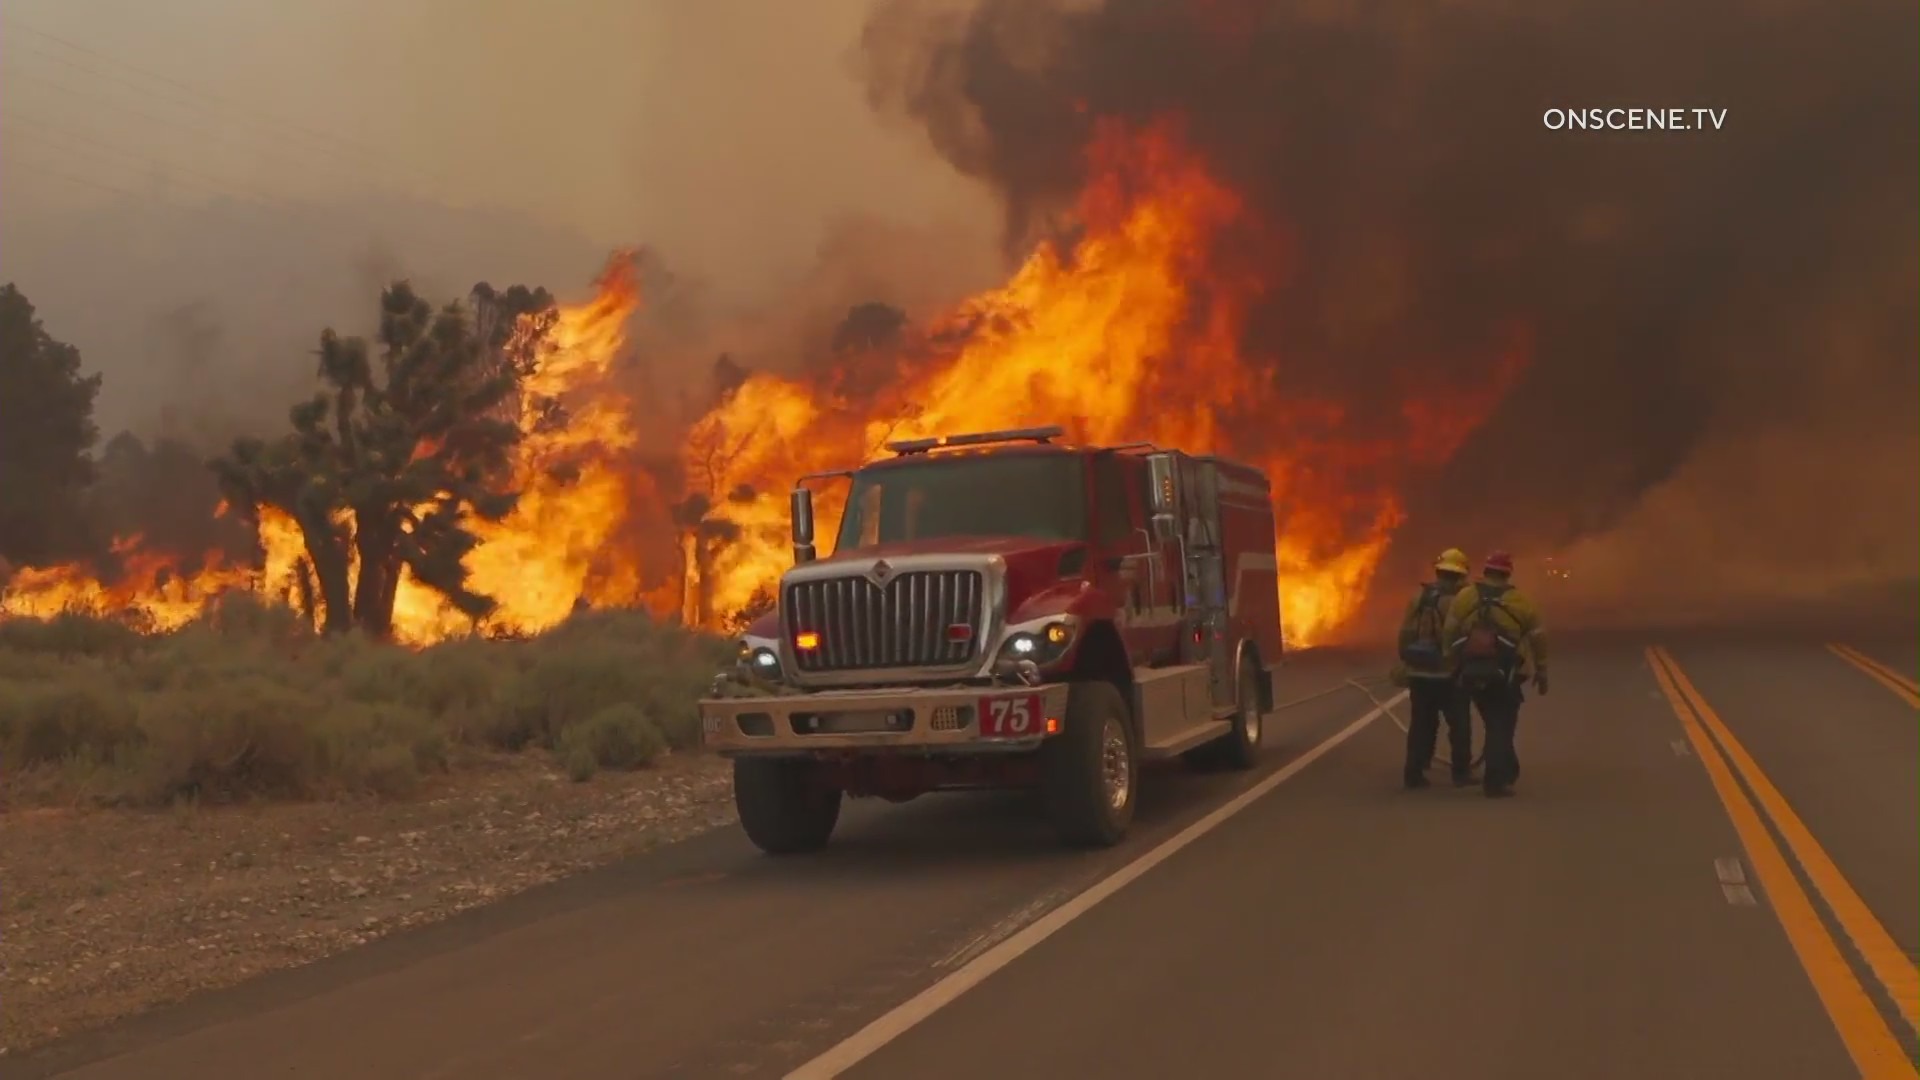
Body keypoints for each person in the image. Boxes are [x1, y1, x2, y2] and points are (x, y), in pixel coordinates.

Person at [1442, 550, 1549, 798]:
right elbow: (1538, 639)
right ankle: (1496, 780)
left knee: (1493, 722)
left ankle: (1505, 770)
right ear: (1508, 573)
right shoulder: (1522, 602)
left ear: (1486, 571)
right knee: (1501, 724)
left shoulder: (1466, 596)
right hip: (1508, 675)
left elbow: (1450, 632)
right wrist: (1541, 671)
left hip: (1471, 672)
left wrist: (1451, 661)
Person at [1393, 548, 1475, 789]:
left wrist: (1407, 659)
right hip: (1451, 673)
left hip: (1420, 673)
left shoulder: (1419, 597)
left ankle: (1414, 774)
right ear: (1460, 575)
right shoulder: (1464, 600)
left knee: (1421, 725)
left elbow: (1406, 633)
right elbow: (1469, 635)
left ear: (1439, 571)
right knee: (1459, 724)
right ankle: (1461, 773)